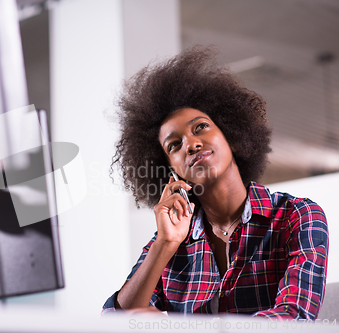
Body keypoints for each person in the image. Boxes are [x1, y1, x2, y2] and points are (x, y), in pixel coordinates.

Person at [102, 46, 328, 320]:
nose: (192, 144)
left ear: (231, 133)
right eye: (175, 145)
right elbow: (115, 319)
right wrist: (165, 244)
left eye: (201, 127)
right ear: (170, 170)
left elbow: (295, 316)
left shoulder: (296, 216)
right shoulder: (170, 239)